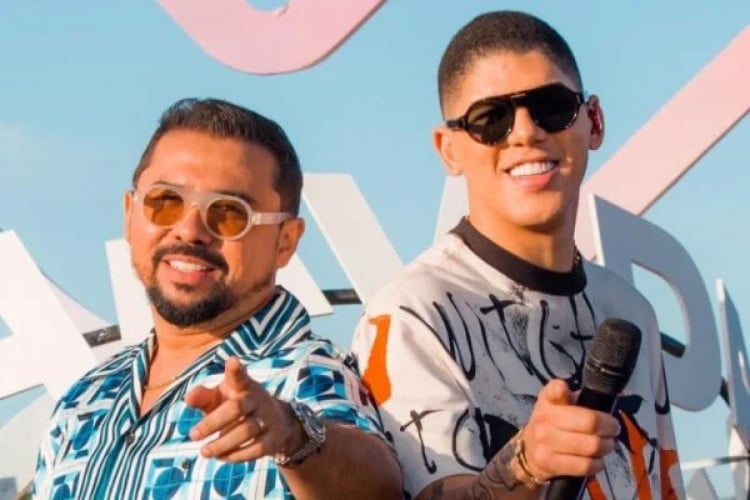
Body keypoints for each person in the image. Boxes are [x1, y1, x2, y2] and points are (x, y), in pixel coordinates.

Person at [352, 11, 684, 500]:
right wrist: (527, 464)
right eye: (490, 120)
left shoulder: (631, 310)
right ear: (448, 149)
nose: (525, 133)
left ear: (594, 121)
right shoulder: (413, 311)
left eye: (552, 107)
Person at [32, 98, 401, 499]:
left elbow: (378, 487)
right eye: (165, 202)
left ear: (285, 242)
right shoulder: (84, 399)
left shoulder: (305, 375)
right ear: (129, 214)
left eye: (228, 213)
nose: (190, 230)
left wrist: (294, 435)